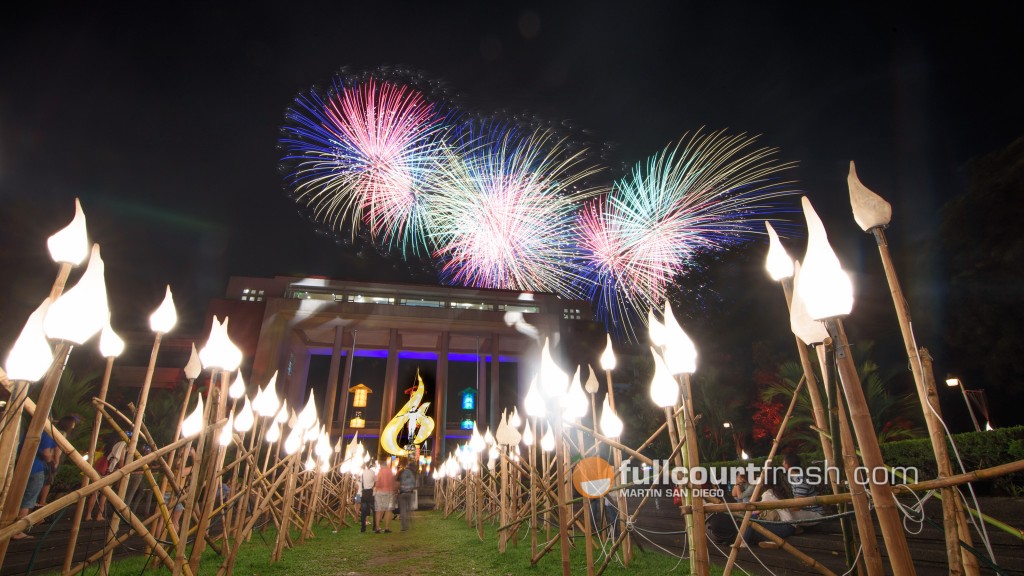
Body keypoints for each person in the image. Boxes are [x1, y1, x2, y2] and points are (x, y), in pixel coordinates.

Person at [12, 425, 58, 539]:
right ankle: (18, 531)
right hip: (36, 468)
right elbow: (47, 453)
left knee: (16, 497)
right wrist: (52, 461)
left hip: (20, 467)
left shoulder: (28, 431)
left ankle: (11, 526)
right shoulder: (45, 433)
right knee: (28, 500)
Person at [741, 470, 795, 549]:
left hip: (785, 527)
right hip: (791, 525)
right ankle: (772, 541)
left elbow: (756, 511)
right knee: (754, 523)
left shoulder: (768, 494)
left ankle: (744, 542)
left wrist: (745, 514)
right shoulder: (777, 490)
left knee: (752, 519)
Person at [36, 414, 80, 507]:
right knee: (48, 480)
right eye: (73, 423)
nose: (74, 425)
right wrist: (56, 461)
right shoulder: (62, 433)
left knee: (43, 480)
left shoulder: (54, 430)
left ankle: (38, 500)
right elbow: (57, 449)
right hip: (50, 459)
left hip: (44, 458)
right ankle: (42, 500)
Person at [782, 453, 823, 526]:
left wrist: (785, 511)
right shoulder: (795, 477)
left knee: (785, 515)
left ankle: (795, 530)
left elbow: (798, 504)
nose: (783, 464)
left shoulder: (800, 480)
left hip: (815, 514)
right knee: (784, 514)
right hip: (806, 511)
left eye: (784, 462)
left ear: (788, 465)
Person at [374, 461, 396, 533]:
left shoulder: (380, 471)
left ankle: (377, 527)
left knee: (378, 509)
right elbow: (393, 482)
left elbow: (377, 480)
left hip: (379, 491)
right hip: (389, 491)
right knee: (388, 510)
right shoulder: (390, 471)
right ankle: (386, 527)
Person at [397, 458, 416, 531]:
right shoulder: (411, 473)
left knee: (403, 510)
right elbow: (414, 482)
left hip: (402, 493)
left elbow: (398, 482)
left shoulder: (401, 472)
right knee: (410, 509)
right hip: (410, 492)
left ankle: (404, 527)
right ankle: (412, 524)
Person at [360, 462, 377, 533]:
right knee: (374, 511)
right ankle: (374, 526)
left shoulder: (363, 473)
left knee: (363, 512)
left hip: (364, 493)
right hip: (370, 492)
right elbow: (375, 481)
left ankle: (363, 528)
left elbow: (361, 483)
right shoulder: (373, 472)